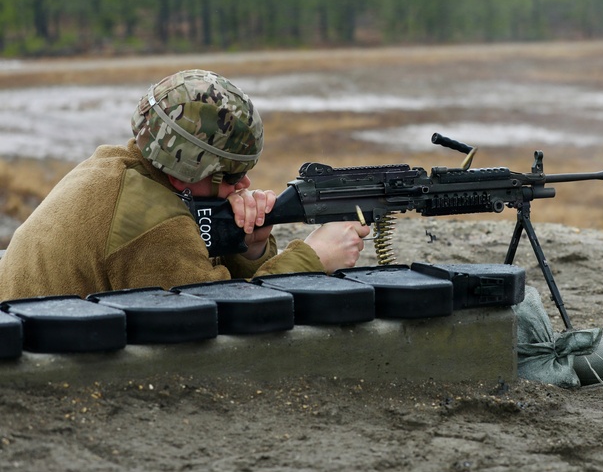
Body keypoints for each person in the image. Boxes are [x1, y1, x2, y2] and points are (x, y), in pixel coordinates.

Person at [0, 69, 370, 301]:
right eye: (231, 177)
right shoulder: (154, 223)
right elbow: (222, 315)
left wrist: (250, 246)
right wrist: (313, 259)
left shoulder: (114, 166)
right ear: (188, 172)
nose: (245, 184)